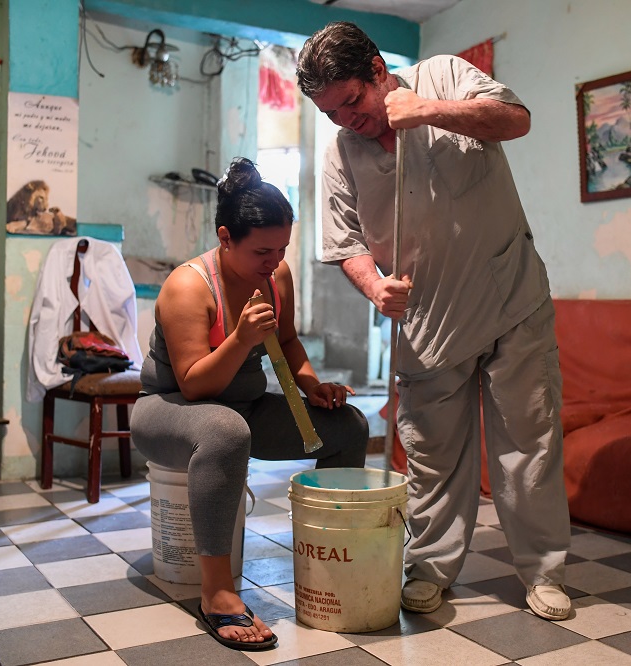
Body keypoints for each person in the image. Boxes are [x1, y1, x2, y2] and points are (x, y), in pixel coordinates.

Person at [296, 22, 572, 620]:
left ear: (376, 69)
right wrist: (374, 285)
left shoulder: (444, 76)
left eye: (352, 102)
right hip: (426, 319)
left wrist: (428, 112)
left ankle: (544, 571)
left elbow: (515, 119)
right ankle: (429, 569)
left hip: (509, 297)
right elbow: (344, 242)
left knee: (530, 440)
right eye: (330, 113)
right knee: (430, 454)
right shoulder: (340, 153)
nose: (347, 121)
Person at [130, 157, 368, 650]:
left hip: (242, 406)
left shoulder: (276, 277)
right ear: (224, 237)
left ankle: (328, 563)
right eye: (262, 250)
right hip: (167, 410)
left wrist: (311, 386)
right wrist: (239, 340)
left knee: (349, 426)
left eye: (282, 248)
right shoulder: (188, 287)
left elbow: (289, 342)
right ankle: (217, 593)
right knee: (225, 431)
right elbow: (195, 386)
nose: (274, 261)